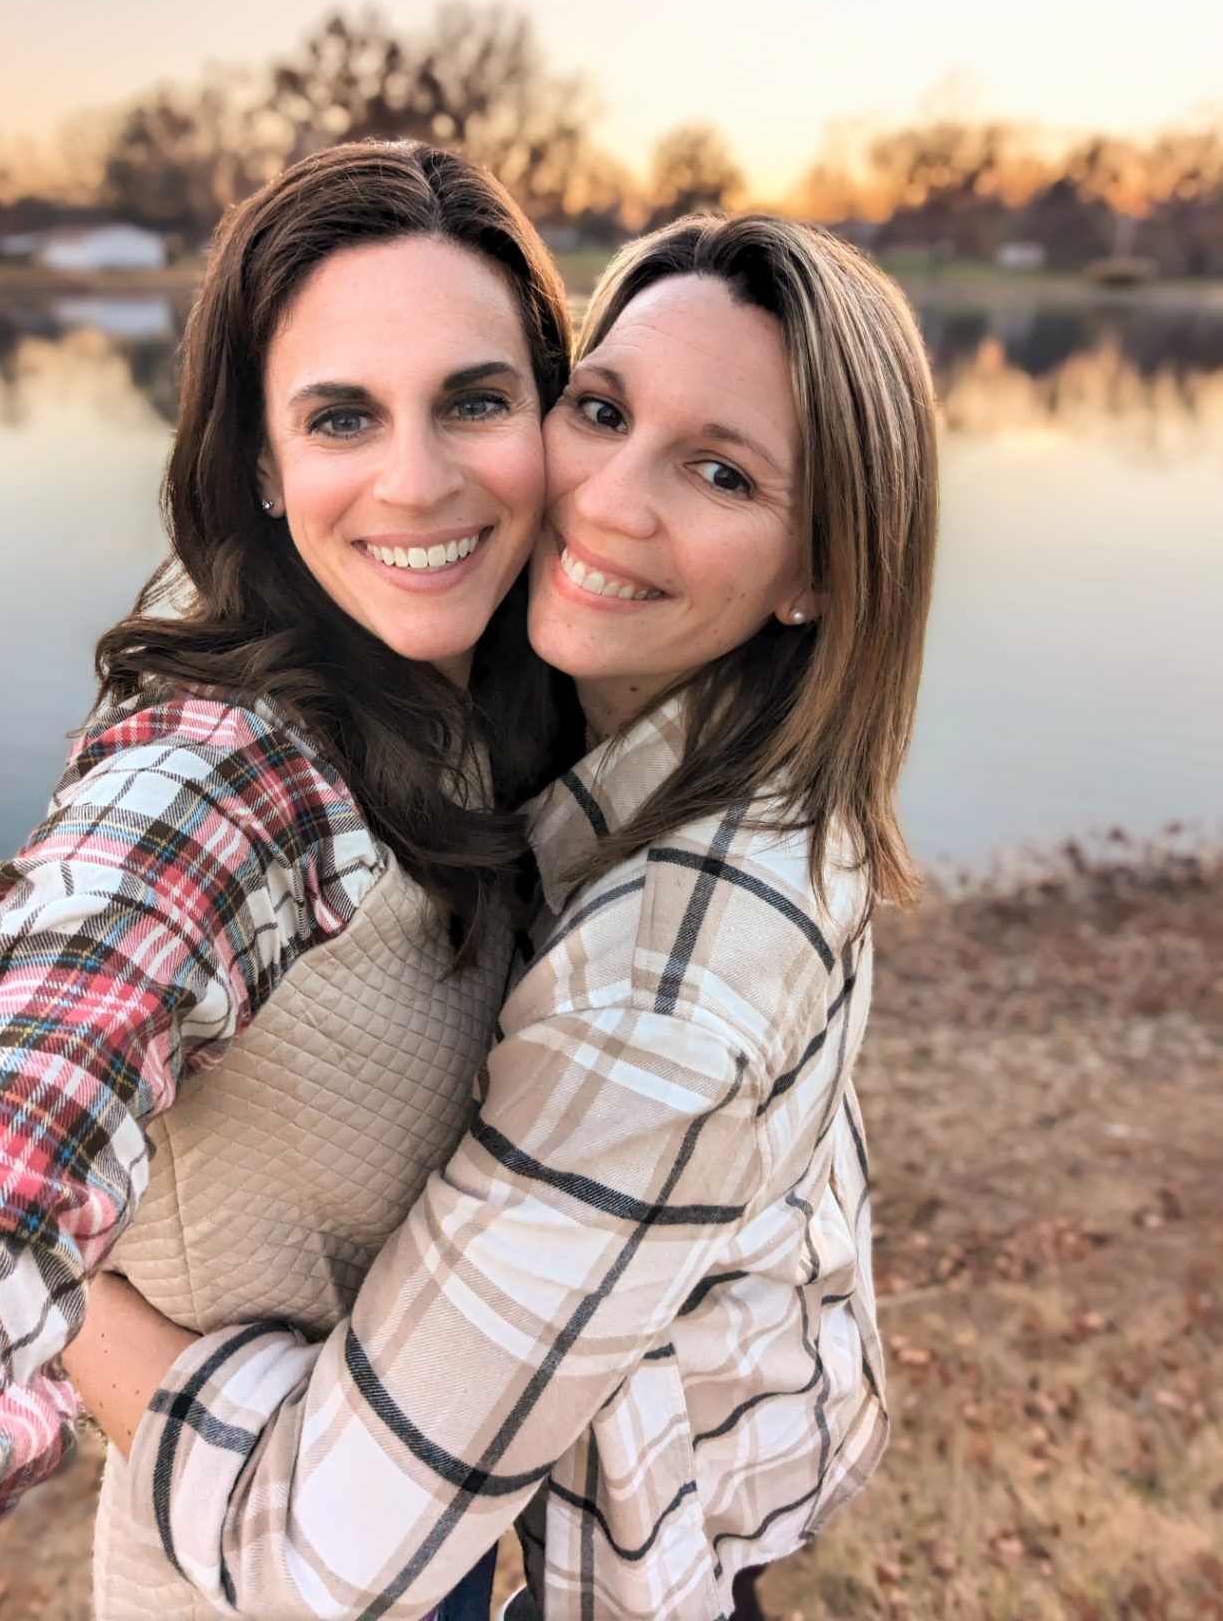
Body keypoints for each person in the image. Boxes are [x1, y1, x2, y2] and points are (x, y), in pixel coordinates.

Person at [69, 211, 939, 1620]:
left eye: (720, 471)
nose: (605, 501)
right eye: (599, 410)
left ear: (818, 575)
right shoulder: (731, 746)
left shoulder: (652, 1004)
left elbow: (322, 1551)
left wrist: (68, 1293)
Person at [0, 140, 578, 1621]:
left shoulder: (509, 695)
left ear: (552, 411)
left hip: (441, 1552)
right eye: (341, 417)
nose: (417, 479)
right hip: (237, 1581)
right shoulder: (230, 765)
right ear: (259, 458)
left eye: (476, 399)